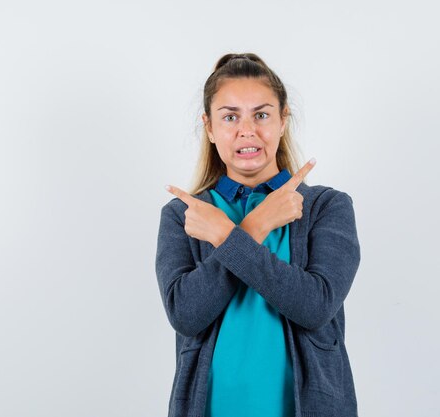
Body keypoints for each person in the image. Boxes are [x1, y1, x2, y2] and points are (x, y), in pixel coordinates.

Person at [155, 53, 361, 417]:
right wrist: (255, 226)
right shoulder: (184, 217)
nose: (246, 130)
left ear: (283, 120)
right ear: (209, 127)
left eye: (261, 115)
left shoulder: (326, 207)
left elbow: (314, 307)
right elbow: (186, 315)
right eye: (230, 116)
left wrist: (228, 237)